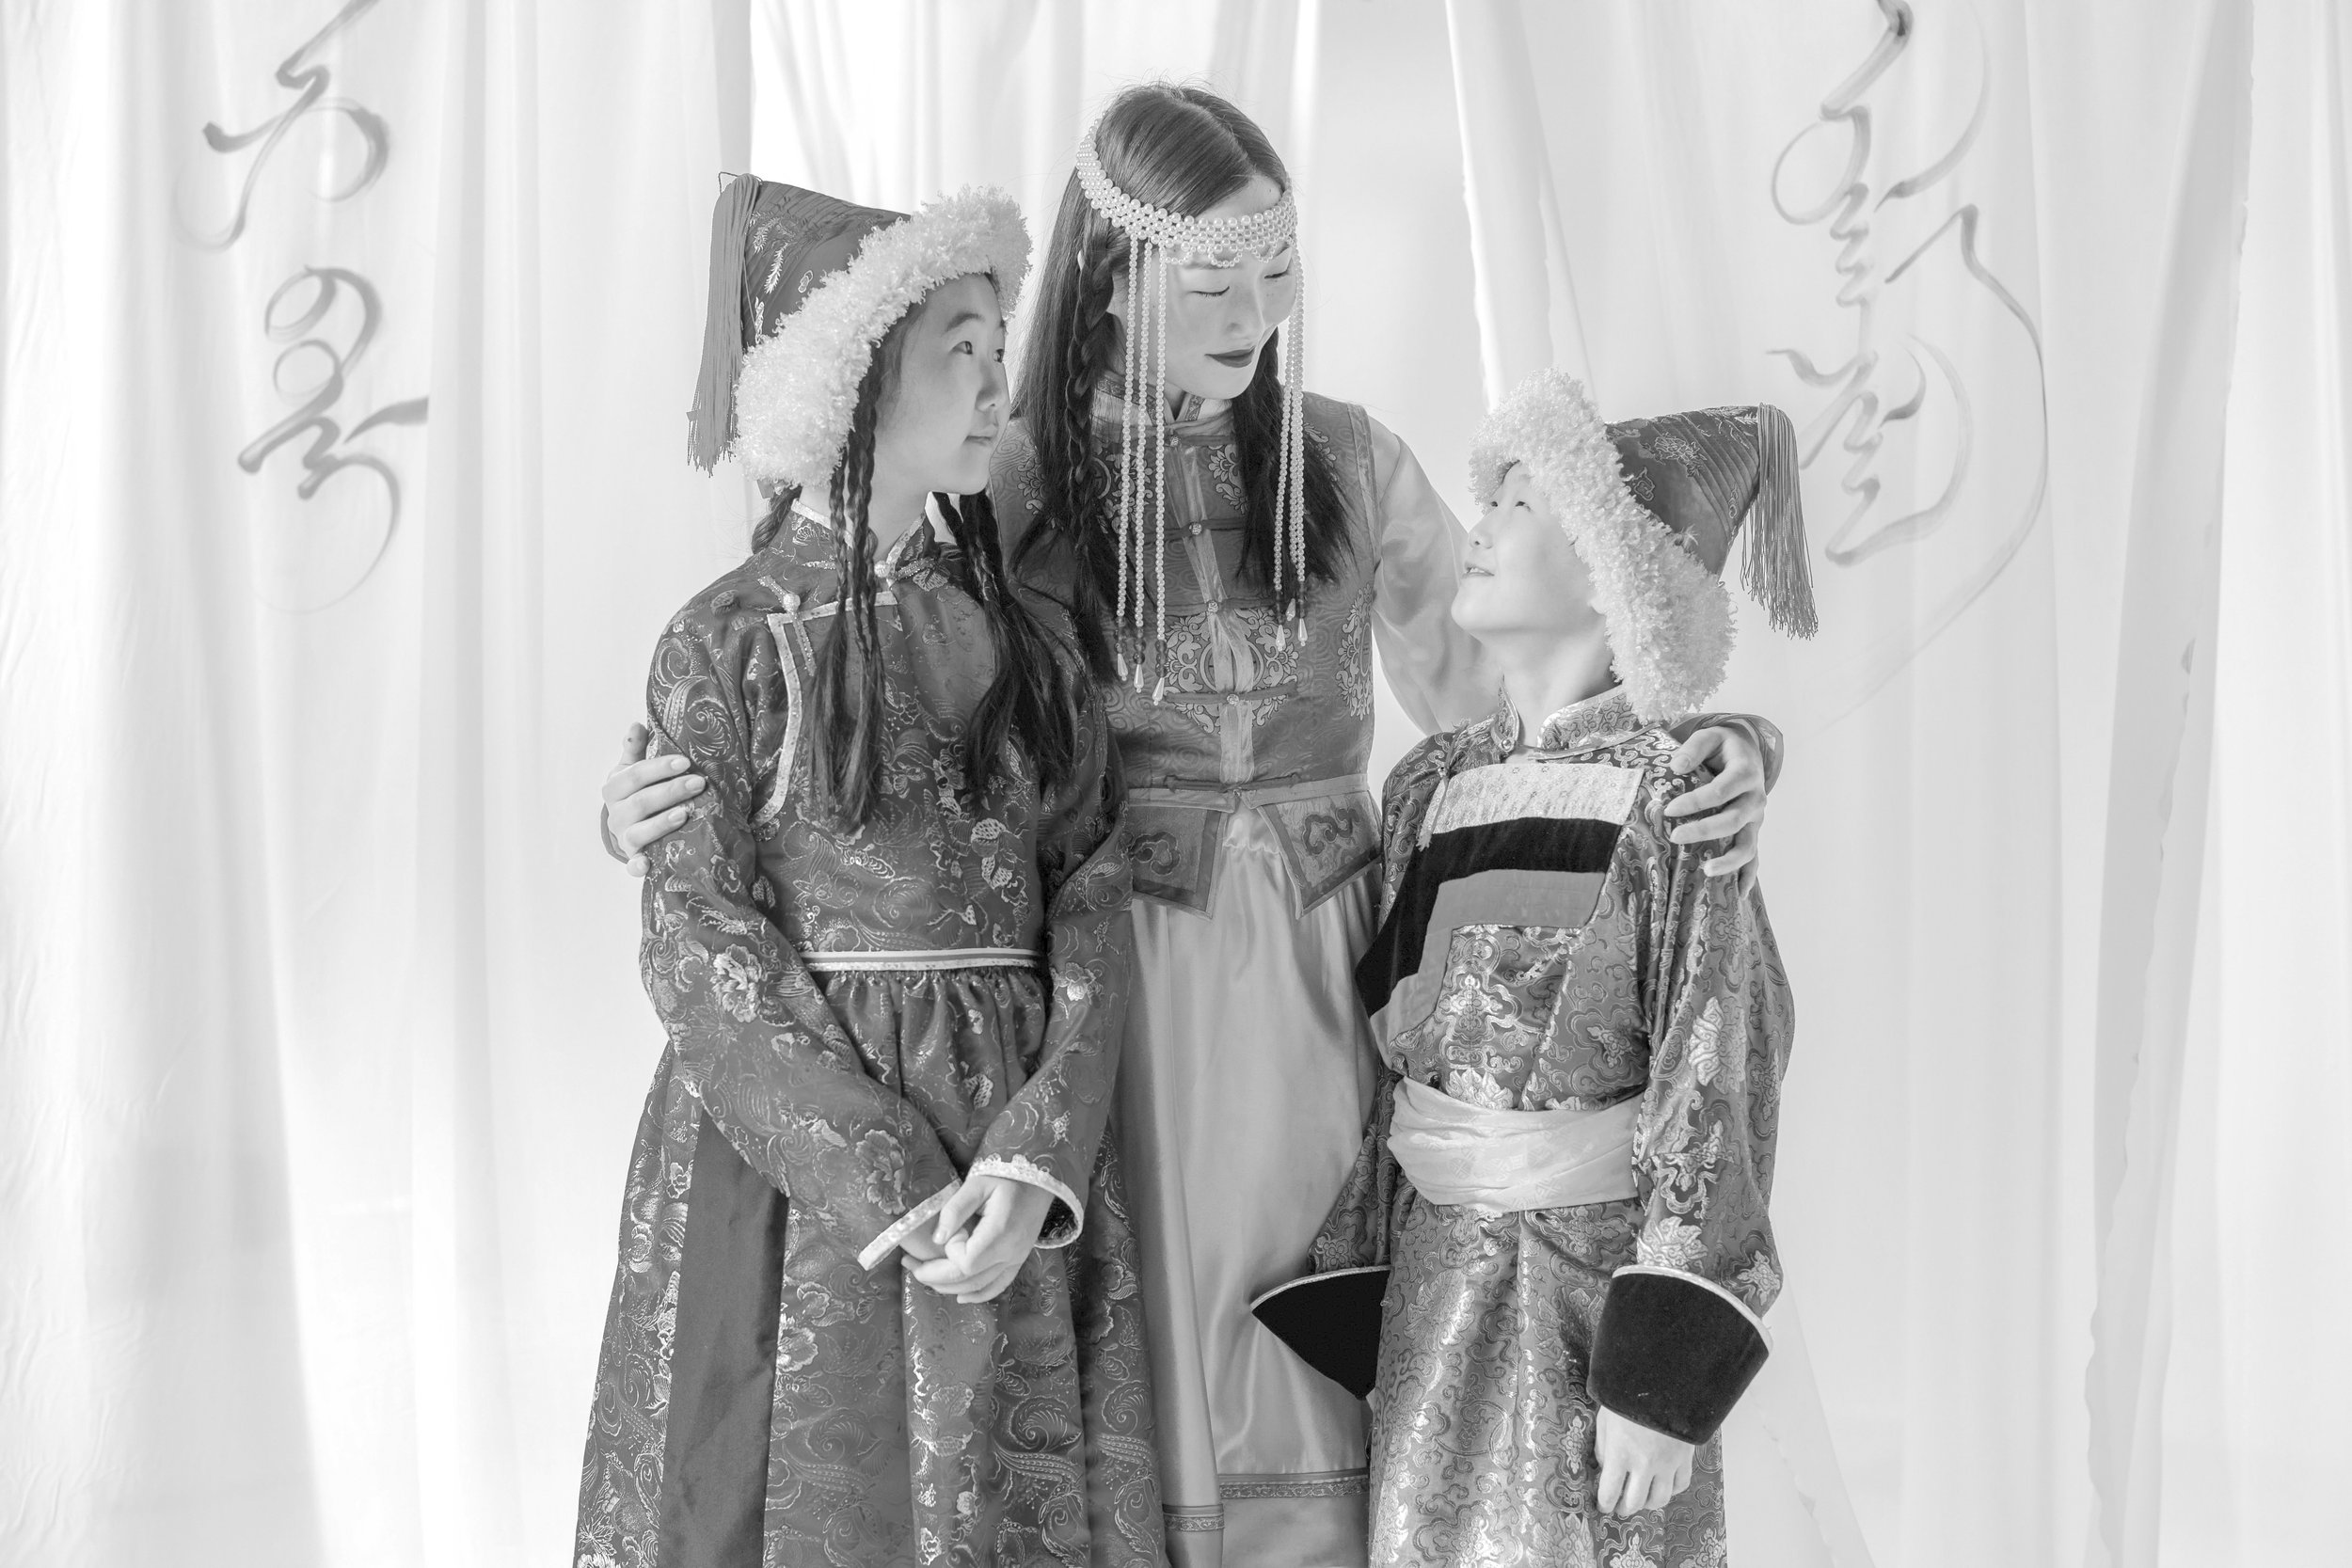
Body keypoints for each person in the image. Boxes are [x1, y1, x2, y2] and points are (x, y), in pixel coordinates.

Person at [602, 85, 1781, 1568]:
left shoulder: (1347, 461)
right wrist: (649, 795)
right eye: (1209, 278)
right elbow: (829, 666)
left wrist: (1718, 740)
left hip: (1324, 974)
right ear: (1109, 276)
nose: (1253, 312)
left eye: (1274, 270)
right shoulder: (1005, 469)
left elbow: (1535, 707)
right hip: (1113, 986)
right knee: (1140, 1342)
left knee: (1317, 1325)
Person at [573, 177, 1162, 1568]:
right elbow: (702, 943)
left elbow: (1088, 886)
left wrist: (1033, 1151)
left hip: (1006, 1133)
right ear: (848, 380)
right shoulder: (724, 641)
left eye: (996, 344)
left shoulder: (1030, 643)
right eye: (960, 348)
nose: (994, 386)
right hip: (797, 1165)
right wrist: (887, 1166)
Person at [1315, 369, 1809, 1568]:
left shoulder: (1672, 791)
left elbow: (1718, 1061)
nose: (1476, 529)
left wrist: (1664, 1373)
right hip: (1435, 1280)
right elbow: (1390, 1062)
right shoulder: (1427, 783)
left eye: (1521, 507)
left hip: (1589, 1295)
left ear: (1611, 568)